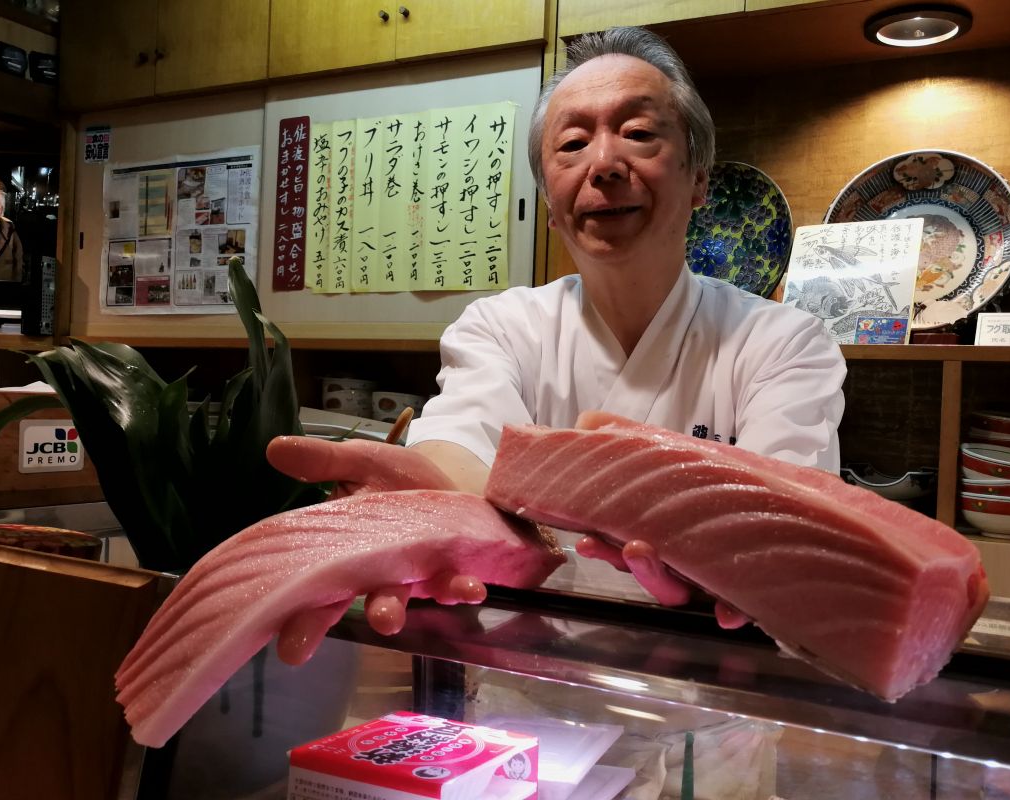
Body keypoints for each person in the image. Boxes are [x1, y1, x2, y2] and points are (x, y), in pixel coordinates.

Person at [266, 26, 846, 664]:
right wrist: (424, 502)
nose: (603, 164)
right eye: (572, 143)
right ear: (548, 201)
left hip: (715, 692)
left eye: (639, 133)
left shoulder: (781, 342)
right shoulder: (502, 327)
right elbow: (459, 452)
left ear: (699, 179)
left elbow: (784, 529)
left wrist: (725, 559)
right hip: (535, 683)